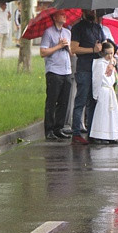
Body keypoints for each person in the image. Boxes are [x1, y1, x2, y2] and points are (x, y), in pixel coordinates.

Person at [70, 9, 110, 145]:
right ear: (84, 11)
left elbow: (105, 45)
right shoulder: (78, 28)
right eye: (89, 10)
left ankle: (93, 132)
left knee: (93, 100)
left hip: (97, 68)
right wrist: (92, 50)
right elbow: (74, 49)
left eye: (93, 10)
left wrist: (108, 53)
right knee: (81, 100)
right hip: (84, 68)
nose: (92, 12)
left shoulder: (98, 27)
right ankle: (76, 133)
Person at [40, 10, 73, 141]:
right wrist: (58, 46)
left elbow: (71, 53)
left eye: (65, 15)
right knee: (52, 101)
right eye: (61, 14)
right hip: (54, 70)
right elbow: (43, 52)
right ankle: (49, 129)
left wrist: (67, 47)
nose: (64, 16)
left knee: (64, 101)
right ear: (54, 17)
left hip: (66, 70)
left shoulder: (68, 32)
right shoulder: (48, 32)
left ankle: (59, 128)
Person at [89, 41, 118, 144]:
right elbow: (97, 79)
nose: (110, 56)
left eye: (111, 53)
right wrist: (96, 94)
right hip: (103, 90)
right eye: (107, 53)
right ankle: (99, 135)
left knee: (111, 113)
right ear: (103, 53)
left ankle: (111, 135)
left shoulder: (110, 63)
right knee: (102, 113)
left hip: (110, 90)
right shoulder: (100, 63)